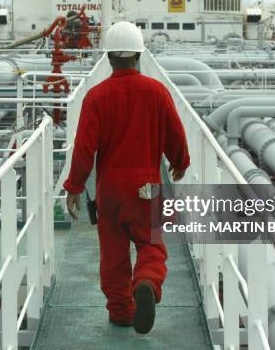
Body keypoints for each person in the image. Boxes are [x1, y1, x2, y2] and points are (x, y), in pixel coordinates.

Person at [63, 21, 190, 334]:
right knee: (152, 245)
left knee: (114, 252)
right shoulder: (157, 91)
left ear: (108, 58)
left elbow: (84, 149)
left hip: (110, 189)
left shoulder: (96, 96)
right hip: (148, 184)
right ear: (139, 55)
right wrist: (180, 161)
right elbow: (176, 133)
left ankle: (121, 311)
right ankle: (146, 281)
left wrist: (74, 186)